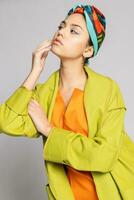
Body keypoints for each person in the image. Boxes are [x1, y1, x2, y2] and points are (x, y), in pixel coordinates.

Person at [0, 3, 134, 200]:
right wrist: (35, 72)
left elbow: (104, 157)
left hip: (113, 193)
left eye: (73, 31)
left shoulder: (108, 90)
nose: (61, 32)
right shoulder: (44, 94)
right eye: (61, 26)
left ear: (88, 50)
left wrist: (48, 130)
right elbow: (6, 122)